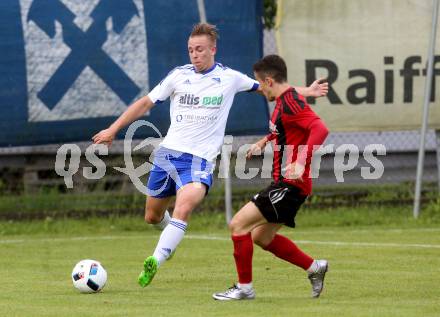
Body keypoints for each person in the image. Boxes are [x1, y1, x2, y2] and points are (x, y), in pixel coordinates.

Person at [92, 23, 328, 288]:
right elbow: (145, 103)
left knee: (184, 207)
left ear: (213, 49)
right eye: (191, 50)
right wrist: (113, 129)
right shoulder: (178, 75)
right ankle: (171, 236)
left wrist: (306, 91)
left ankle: (157, 259)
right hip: (168, 156)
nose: (195, 54)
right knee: (152, 216)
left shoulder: (229, 78)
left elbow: (270, 87)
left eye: (200, 49)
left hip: (199, 160)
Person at [212, 54, 329, 301]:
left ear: (269, 80)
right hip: (289, 183)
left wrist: (299, 160)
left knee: (238, 225)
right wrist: (265, 141)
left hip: (291, 184)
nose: (260, 89)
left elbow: (320, 128)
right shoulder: (284, 100)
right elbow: (286, 128)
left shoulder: (290, 103)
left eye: (260, 83)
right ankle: (314, 267)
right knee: (261, 236)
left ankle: (245, 288)